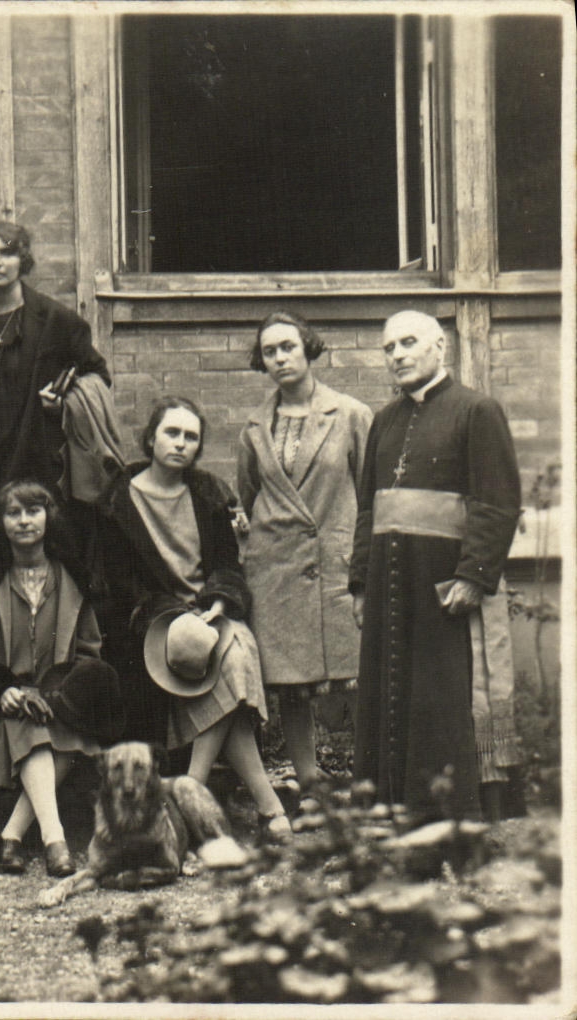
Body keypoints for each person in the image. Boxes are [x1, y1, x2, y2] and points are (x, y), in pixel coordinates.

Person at [351, 310, 522, 820]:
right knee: (390, 699)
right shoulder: (384, 420)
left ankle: (448, 819)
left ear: (439, 347)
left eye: (408, 342)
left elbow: (497, 503)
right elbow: (368, 508)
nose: (398, 354)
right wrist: (361, 582)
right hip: (387, 586)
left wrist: (473, 575)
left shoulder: (477, 411)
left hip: (444, 587)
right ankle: (390, 815)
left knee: (442, 702)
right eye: (388, 347)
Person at [97, 397, 290, 838]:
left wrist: (218, 606)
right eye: (172, 433)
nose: (181, 444)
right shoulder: (117, 503)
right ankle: (268, 807)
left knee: (237, 651)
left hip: (211, 610)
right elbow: (119, 585)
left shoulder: (206, 494)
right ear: (151, 438)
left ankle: (190, 794)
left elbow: (227, 565)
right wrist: (170, 617)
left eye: (191, 437)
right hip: (153, 621)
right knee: (218, 671)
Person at [0, 481, 122, 877]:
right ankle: (55, 840)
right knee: (29, 719)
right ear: (0, 523)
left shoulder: (73, 580)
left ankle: (13, 836)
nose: (24, 521)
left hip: (59, 706)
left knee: (51, 724)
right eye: (13, 513)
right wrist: (2, 690)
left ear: (48, 517)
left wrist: (58, 694)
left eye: (33, 511)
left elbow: (89, 651)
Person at [235, 312, 373, 788]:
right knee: (292, 688)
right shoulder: (255, 426)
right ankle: (310, 784)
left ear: (307, 348)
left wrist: (362, 568)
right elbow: (249, 496)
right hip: (276, 570)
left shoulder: (351, 414)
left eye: (287, 347)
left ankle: (370, 781)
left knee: (358, 677)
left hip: (335, 565)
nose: (279, 358)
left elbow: (370, 495)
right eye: (269, 351)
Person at [0, 221, 113, 584]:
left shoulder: (55, 321)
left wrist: (64, 404)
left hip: (38, 460)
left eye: (7, 253)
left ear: (23, 261)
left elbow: (97, 376)